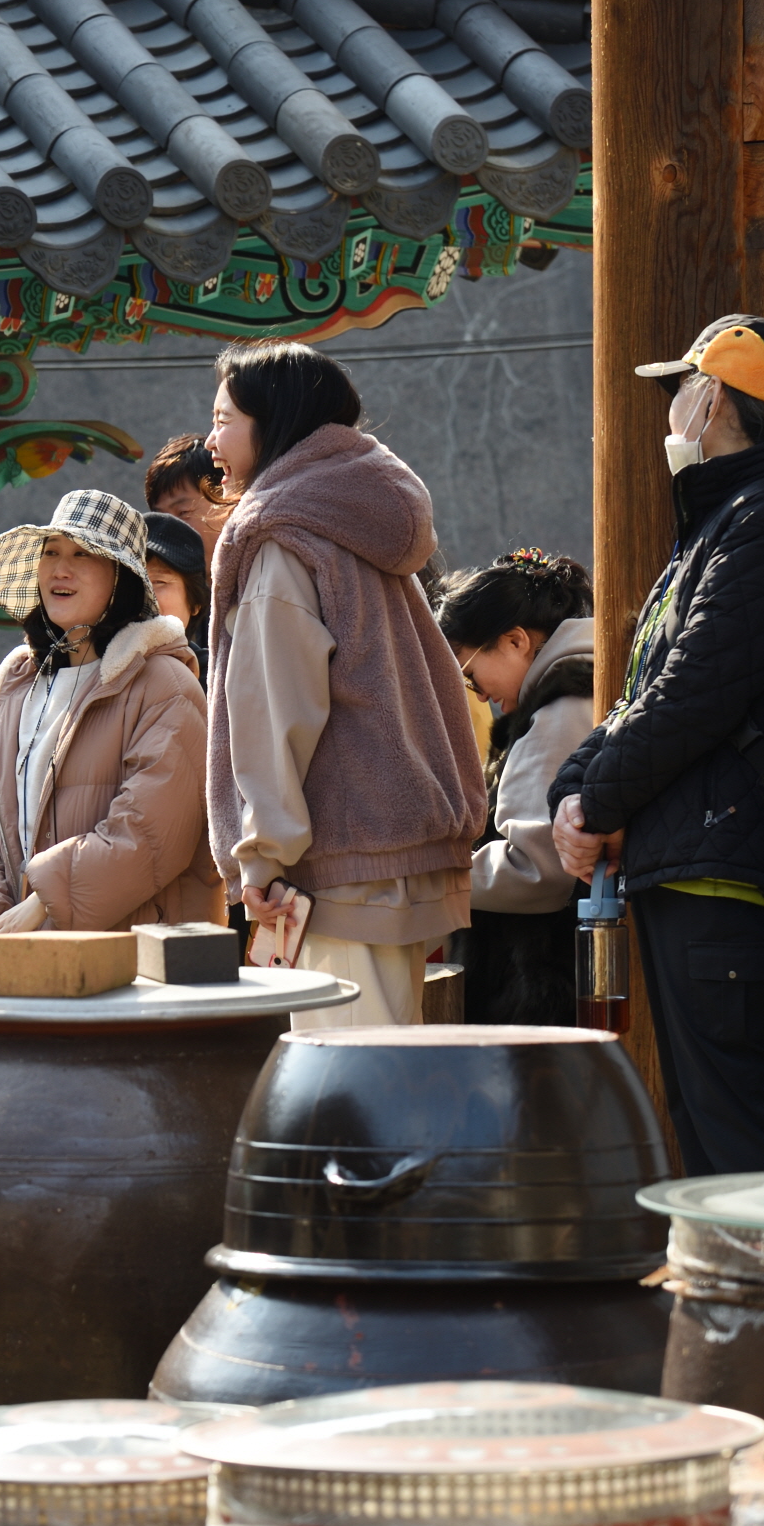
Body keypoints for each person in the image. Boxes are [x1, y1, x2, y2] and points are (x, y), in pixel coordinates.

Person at [547, 316, 764, 1176]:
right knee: (709, 1106)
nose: (669, 408)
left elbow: (689, 695)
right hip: (699, 852)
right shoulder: (732, 520)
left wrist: (595, 803)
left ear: (711, 398)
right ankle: (743, 1298)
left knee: (734, 1113)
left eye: (677, 387)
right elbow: (645, 688)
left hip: (728, 860)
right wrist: (573, 792)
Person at [204, 342, 486, 1028]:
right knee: (390, 1078)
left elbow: (274, 707)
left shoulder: (282, 539)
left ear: (272, 423)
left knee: (351, 1096)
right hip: (397, 849)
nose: (209, 440)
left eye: (222, 418)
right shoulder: (360, 520)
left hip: (339, 859)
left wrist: (262, 857)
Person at [0, 491, 221, 963]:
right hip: (18, 959)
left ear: (122, 578)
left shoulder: (164, 683)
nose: (60, 569)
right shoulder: (17, 686)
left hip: (136, 966)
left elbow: (147, 834)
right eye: (50, 552)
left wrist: (41, 907)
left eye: (83, 554)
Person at [438, 549, 594, 1025]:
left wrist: (438, 879)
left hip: (537, 980)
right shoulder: (575, 694)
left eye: (470, 674)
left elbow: (536, 870)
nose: (480, 694)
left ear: (515, 641)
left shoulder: (559, 711)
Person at [142, 509, 212, 676]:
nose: (144, 594)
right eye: (134, 581)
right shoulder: (91, 669)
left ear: (196, 603)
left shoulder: (217, 683)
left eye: (159, 582)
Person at [144, 432, 229, 560]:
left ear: (228, 501)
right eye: (161, 518)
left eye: (183, 512)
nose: (170, 531)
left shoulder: (266, 569)